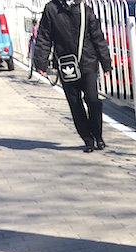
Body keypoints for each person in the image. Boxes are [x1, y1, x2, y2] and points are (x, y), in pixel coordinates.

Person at [34, 0, 112, 152]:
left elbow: (97, 37)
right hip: (66, 64)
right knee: (75, 103)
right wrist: (41, 62)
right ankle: (88, 140)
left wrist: (106, 63)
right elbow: (44, 36)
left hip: (88, 61)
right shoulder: (51, 9)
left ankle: (98, 135)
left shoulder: (84, 9)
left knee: (93, 100)